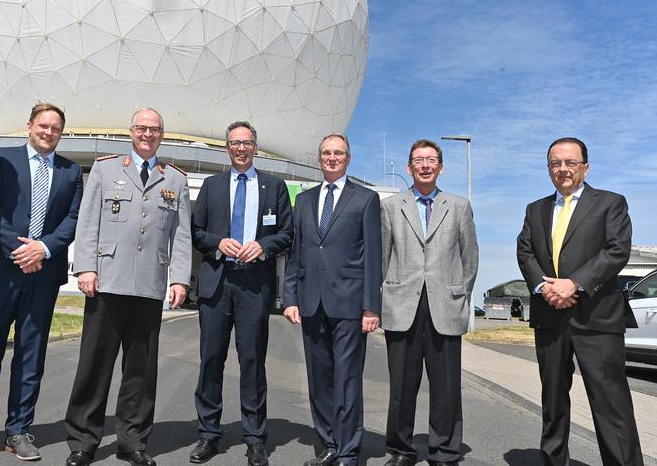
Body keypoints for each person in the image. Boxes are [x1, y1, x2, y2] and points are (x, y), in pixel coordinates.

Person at [63, 108, 191, 466]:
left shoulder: (175, 180)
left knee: (141, 370)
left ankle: (131, 441)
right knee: (94, 364)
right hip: (106, 281)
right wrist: (85, 268)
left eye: (154, 129)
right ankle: (83, 441)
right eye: (141, 128)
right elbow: (88, 223)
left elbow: (180, 235)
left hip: (149, 285)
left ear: (162, 135)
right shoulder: (105, 169)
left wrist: (179, 277)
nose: (147, 134)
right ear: (131, 131)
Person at [0, 103, 83, 461]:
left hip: (43, 275)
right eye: (43, 125)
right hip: (1, 269)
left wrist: (43, 249)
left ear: (62, 133)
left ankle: (18, 430)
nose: (48, 132)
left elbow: (73, 218)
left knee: (31, 356)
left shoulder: (71, 171)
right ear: (29, 125)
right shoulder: (2, 159)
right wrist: (21, 250)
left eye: (56, 128)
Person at [516, 137, 643, 466]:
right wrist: (544, 289)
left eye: (570, 163)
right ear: (548, 169)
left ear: (585, 167)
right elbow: (525, 251)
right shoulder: (535, 209)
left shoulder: (610, 203)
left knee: (610, 404)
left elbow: (616, 250)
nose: (563, 169)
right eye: (555, 163)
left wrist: (575, 284)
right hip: (549, 316)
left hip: (596, 318)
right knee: (553, 404)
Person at [189, 121, 293, 466]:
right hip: (217, 283)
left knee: (252, 363)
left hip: (253, 285)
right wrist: (218, 242)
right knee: (211, 361)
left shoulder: (274, 187)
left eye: (246, 143)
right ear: (227, 147)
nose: (240, 148)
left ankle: (254, 437)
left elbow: (286, 234)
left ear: (255, 147)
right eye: (234, 143)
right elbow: (196, 231)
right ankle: (208, 434)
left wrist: (262, 247)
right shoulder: (211, 185)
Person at [282, 134, 381, 466]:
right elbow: (297, 254)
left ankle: (348, 450)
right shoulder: (305, 200)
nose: (332, 158)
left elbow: (372, 256)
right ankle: (327, 444)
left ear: (348, 158)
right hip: (311, 303)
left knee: (347, 378)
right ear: (319, 158)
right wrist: (290, 297)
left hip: (351, 305)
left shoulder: (366, 199)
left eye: (338, 153)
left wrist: (371, 306)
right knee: (319, 378)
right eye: (326, 153)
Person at [379, 140, 478, 466]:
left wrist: (459, 296)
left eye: (431, 160)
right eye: (418, 160)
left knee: (447, 387)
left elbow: (469, 258)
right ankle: (400, 448)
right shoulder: (392, 206)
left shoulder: (459, 206)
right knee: (401, 388)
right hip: (402, 304)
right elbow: (382, 257)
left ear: (441, 166)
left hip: (444, 306)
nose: (425, 165)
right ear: (409, 167)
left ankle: (445, 451)